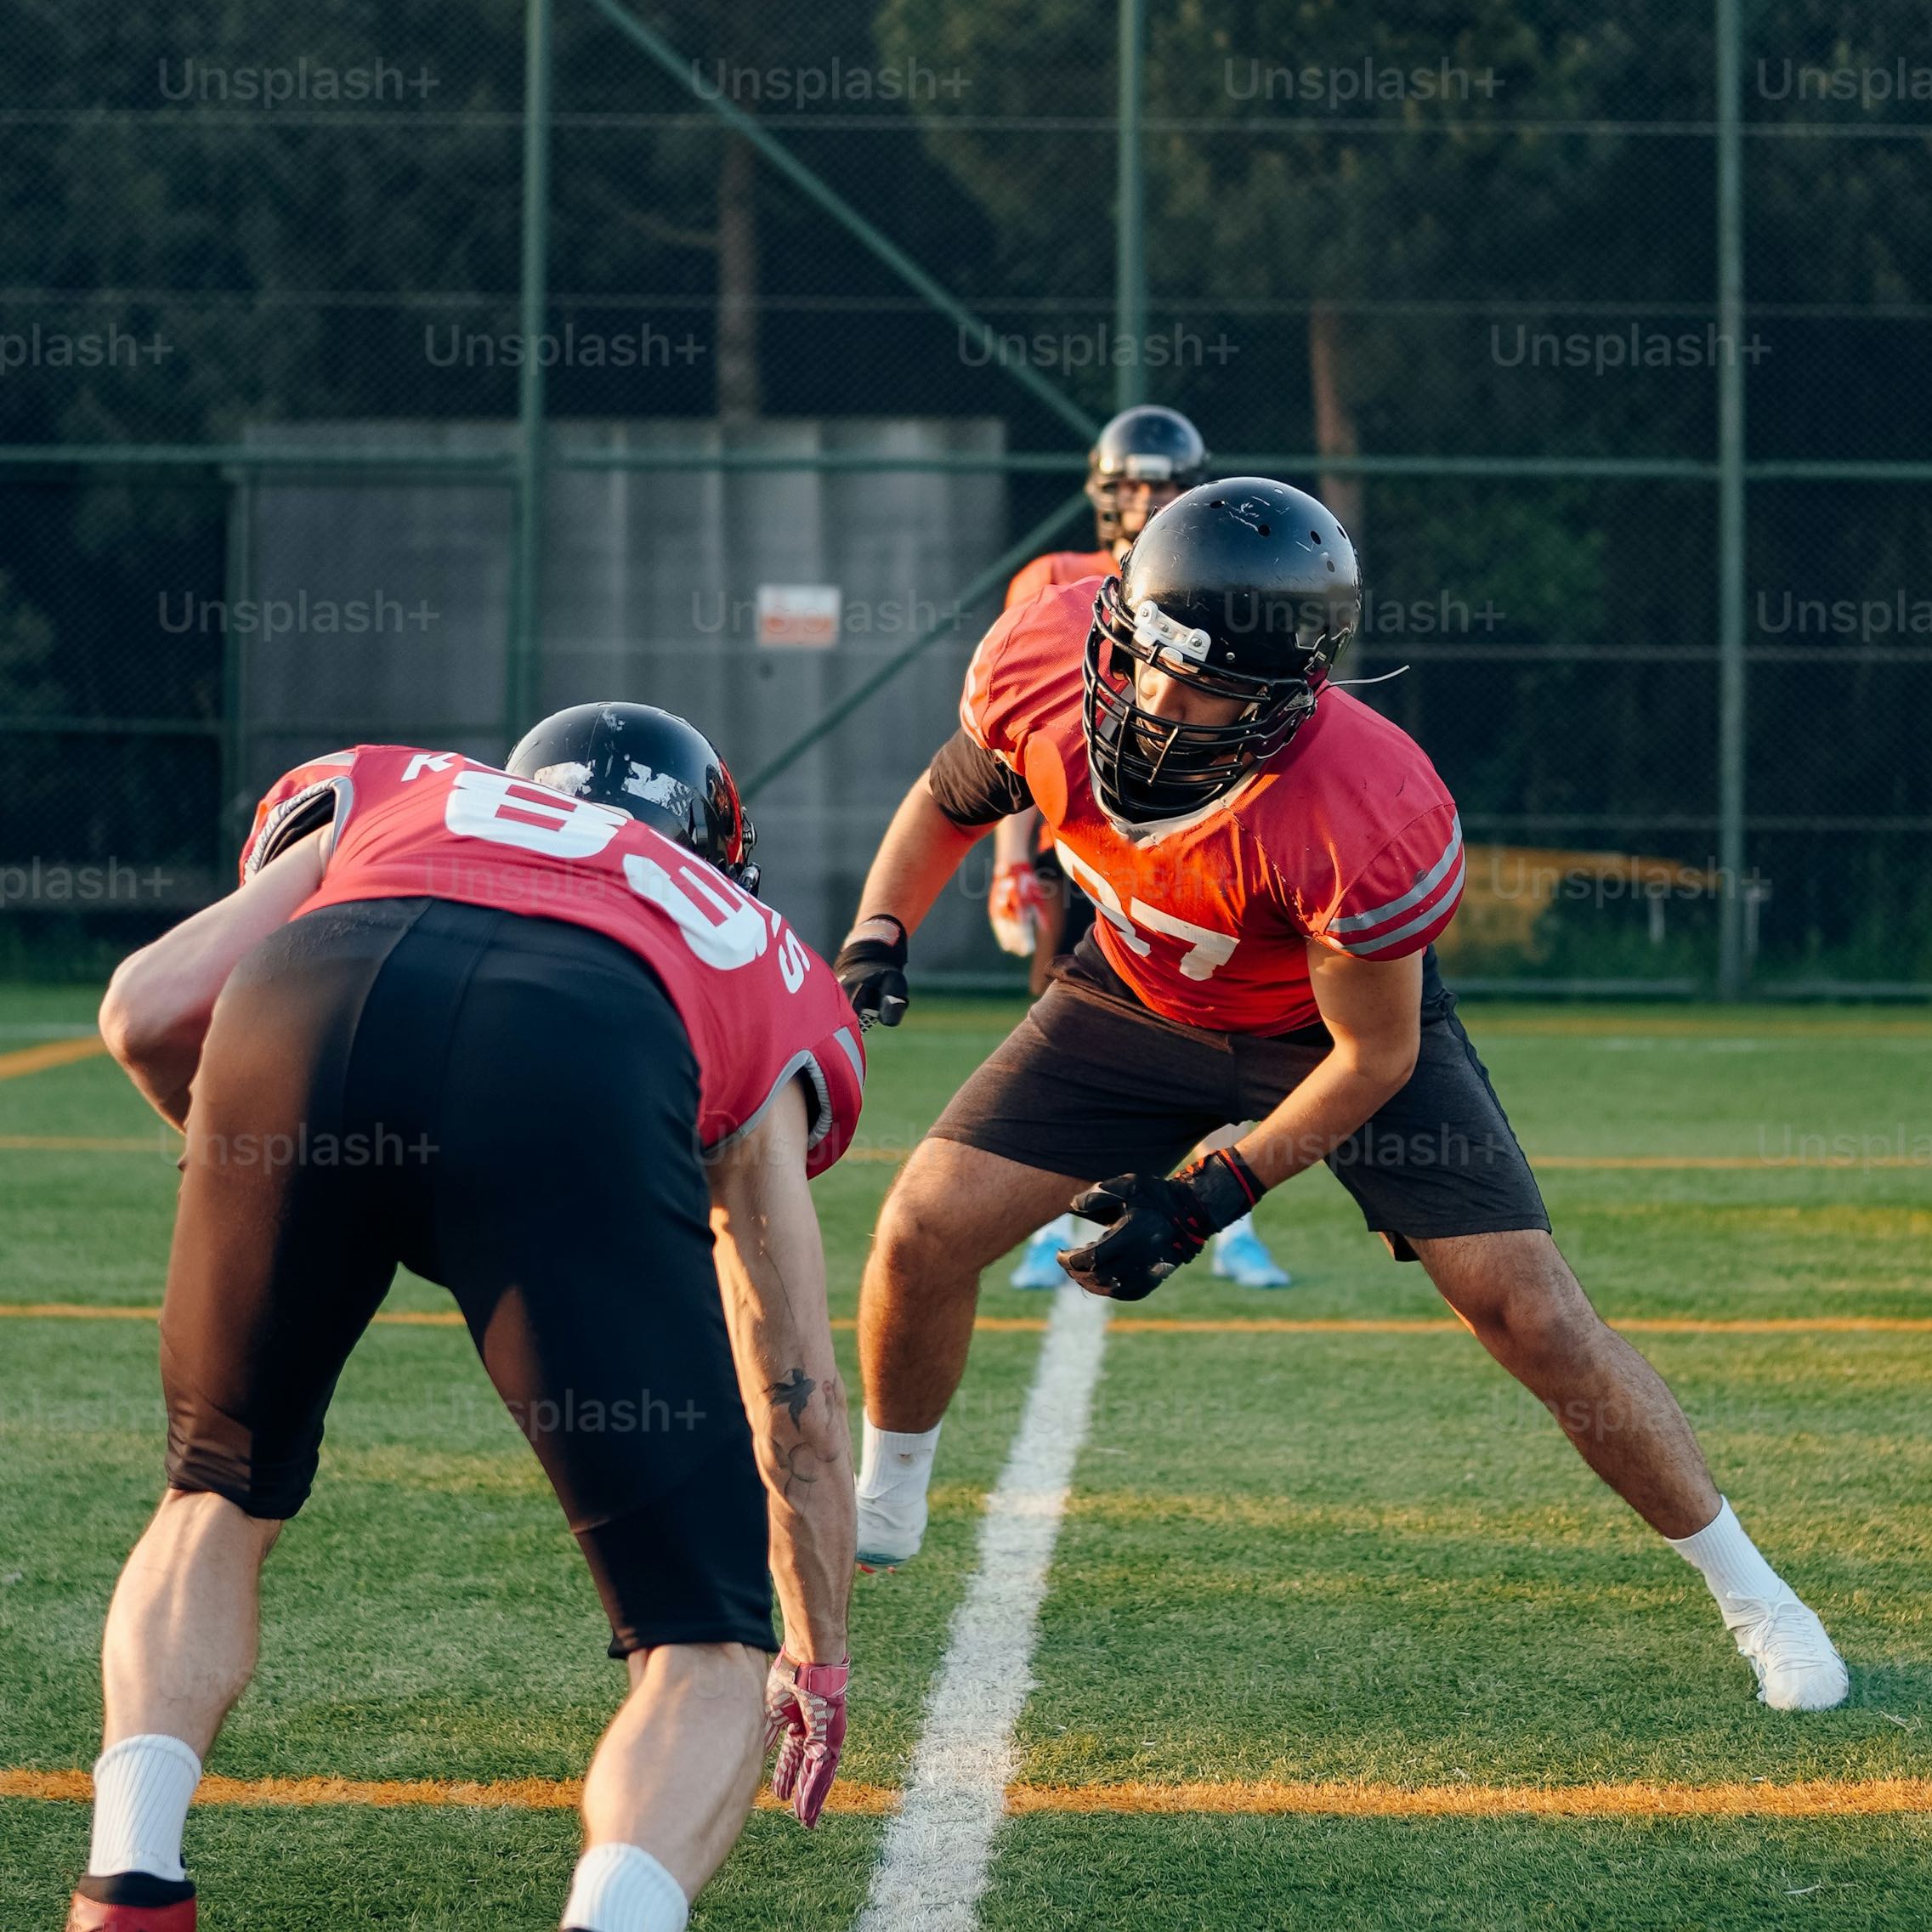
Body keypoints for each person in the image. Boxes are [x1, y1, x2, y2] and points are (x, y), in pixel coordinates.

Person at [830, 481, 1848, 1713]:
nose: (1155, 701)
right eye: (1146, 659)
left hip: (1318, 1032)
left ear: (1284, 695)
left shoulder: (1363, 806)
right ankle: (886, 1498)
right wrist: (879, 929)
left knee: (1530, 1311)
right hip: (1130, 998)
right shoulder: (1044, 656)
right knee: (921, 1227)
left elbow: (1372, 1057)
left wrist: (1211, 1194)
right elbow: (951, 798)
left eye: (1201, 685)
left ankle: (1758, 1598)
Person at [68, 705, 863, 1932]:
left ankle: (129, 1880)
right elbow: (794, 1383)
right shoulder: (754, 944)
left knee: (212, 1492)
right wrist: (816, 1649)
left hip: (308, 1006)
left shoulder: (399, 784)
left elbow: (144, 1009)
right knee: (701, 1644)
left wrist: (268, 1178)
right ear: (717, 850)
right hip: (580, 1056)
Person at [989, 404, 1290, 1291]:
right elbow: (1013, 733)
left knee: (1225, 1031)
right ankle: (1050, 1220)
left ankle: (1228, 1224)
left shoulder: (1226, 582)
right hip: (1084, 841)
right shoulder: (1053, 578)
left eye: (1163, 484)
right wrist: (1009, 862)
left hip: (1197, 844)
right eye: (1129, 484)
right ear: (1101, 491)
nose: (1145, 499)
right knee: (1061, 1034)